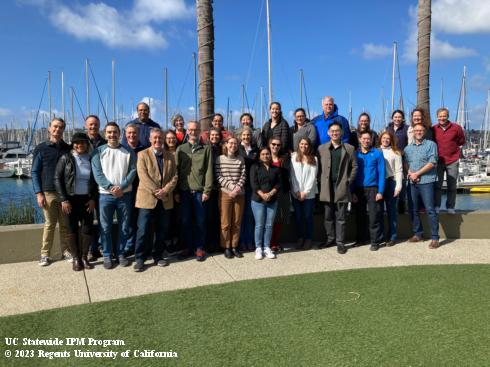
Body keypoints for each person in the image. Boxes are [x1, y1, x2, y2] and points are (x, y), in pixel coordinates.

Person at [92, 122, 137, 269]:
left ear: (120, 134)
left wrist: (121, 187)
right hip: (105, 196)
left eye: (115, 132)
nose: (112, 135)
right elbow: (97, 174)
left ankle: (121, 253)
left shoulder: (128, 151)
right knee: (105, 227)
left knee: (124, 226)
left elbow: (132, 172)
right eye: (109, 132)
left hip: (125, 195)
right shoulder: (98, 151)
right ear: (105, 134)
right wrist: (111, 188)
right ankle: (106, 254)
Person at [133, 129, 178, 272]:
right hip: (147, 198)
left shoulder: (170, 156)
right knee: (143, 229)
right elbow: (143, 175)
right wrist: (157, 191)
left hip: (165, 198)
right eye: (155, 138)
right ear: (150, 140)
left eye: (160, 138)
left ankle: (158, 255)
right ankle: (140, 257)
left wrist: (165, 191)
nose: (158, 140)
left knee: (162, 229)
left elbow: (175, 176)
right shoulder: (142, 154)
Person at [31, 117, 71, 266]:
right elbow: (35, 171)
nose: (57, 129)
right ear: (49, 128)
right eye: (55, 127)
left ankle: (66, 251)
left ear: (63, 129)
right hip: (48, 192)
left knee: (65, 224)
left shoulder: (67, 148)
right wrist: (38, 193)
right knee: (50, 224)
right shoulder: (41, 148)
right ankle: (45, 254)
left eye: (60, 127)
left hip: (65, 193)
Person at [54, 132, 97, 271]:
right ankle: (76, 258)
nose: (80, 145)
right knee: (71, 228)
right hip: (70, 199)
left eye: (83, 143)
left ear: (87, 144)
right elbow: (57, 179)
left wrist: (92, 199)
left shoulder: (91, 158)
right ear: (73, 144)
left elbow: (95, 181)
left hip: (86, 199)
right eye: (77, 143)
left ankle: (84, 257)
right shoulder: (66, 158)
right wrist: (64, 199)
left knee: (87, 227)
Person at [175, 121, 213, 261]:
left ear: (199, 131)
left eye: (196, 130)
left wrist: (207, 190)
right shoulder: (181, 149)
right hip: (184, 191)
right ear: (187, 131)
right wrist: (176, 192)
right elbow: (176, 171)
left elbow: (209, 170)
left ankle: (199, 248)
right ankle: (187, 247)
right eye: (190, 130)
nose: (193, 132)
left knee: (200, 221)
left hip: (199, 191)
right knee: (185, 221)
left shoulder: (206, 148)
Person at [318, 122, 357, 254]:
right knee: (328, 216)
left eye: (337, 131)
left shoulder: (349, 148)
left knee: (341, 217)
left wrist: (348, 181)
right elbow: (317, 168)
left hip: (341, 187)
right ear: (328, 133)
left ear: (341, 133)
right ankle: (330, 239)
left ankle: (340, 242)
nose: (335, 133)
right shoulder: (321, 149)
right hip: (326, 188)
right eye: (332, 131)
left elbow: (354, 166)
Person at [404, 122, 440, 248]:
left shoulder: (431, 145)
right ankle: (418, 234)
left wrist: (417, 174)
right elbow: (406, 163)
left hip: (427, 181)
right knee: (413, 209)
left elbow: (433, 162)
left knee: (430, 210)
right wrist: (410, 173)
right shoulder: (407, 148)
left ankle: (435, 238)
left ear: (424, 132)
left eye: (420, 130)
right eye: (416, 130)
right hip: (412, 183)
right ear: (413, 132)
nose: (418, 132)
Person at [352, 130, 385, 251]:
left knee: (373, 216)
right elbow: (352, 174)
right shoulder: (355, 154)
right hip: (359, 189)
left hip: (373, 189)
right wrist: (352, 191)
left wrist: (380, 191)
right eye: (364, 138)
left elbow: (382, 173)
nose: (366, 141)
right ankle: (361, 239)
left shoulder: (377, 153)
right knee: (359, 216)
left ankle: (375, 241)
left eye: (368, 139)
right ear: (360, 139)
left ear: (371, 140)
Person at [216, 137, 246, 258]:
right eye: (231, 143)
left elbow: (243, 175)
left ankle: (234, 246)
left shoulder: (241, 159)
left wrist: (237, 188)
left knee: (237, 222)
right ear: (226, 145)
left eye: (235, 143)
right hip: (225, 193)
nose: (233, 145)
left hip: (239, 194)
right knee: (225, 222)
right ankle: (226, 247)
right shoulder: (220, 159)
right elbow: (218, 176)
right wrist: (231, 187)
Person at [250, 147, 282, 260]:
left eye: (267, 154)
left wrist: (271, 193)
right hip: (258, 200)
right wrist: (262, 194)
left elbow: (279, 184)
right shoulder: (255, 167)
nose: (265, 156)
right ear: (259, 156)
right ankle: (258, 248)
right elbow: (253, 184)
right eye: (263, 154)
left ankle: (267, 247)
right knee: (259, 225)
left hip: (272, 200)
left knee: (269, 225)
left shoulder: (275, 168)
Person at [433, 107, 465, 214]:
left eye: (444, 116)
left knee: (452, 185)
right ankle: (437, 205)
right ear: (437, 117)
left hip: (452, 160)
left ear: (448, 116)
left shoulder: (457, 128)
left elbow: (461, 141)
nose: (442, 118)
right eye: (440, 116)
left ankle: (450, 206)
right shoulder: (433, 129)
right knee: (437, 185)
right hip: (438, 161)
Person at [84, 115, 106, 261]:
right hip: (85, 188)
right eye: (91, 124)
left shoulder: (105, 142)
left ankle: (101, 247)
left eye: (96, 124)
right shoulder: (80, 142)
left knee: (103, 221)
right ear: (86, 125)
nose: (93, 127)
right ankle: (90, 249)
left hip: (102, 187)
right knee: (88, 221)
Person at [289, 137, 318, 250]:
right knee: (299, 217)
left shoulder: (314, 158)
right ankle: (300, 238)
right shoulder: (293, 157)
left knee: (308, 216)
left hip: (309, 194)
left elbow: (313, 177)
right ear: (299, 145)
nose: (303, 146)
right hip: (295, 193)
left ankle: (308, 238)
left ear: (309, 146)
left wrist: (305, 192)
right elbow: (292, 175)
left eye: (306, 144)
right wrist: (296, 191)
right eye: (302, 144)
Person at [122, 123, 144, 256]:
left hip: (142, 189)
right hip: (126, 189)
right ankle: (129, 245)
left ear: (139, 134)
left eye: (134, 133)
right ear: (125, 134)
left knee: (142, 220)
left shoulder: (145, 149)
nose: (132, 135)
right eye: (129, 133)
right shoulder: (122, 149)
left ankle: (141, 246)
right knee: (128, 219)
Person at [378, 131, 403, 246]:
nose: (386, 140)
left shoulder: (396, 152)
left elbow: (399, 170)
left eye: (388, 138)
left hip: (391, 182)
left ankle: (392, 236)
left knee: (391, 211)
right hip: (378, 184)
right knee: (379, 211)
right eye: (384, 138)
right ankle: (381, 236)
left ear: (391, 140)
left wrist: (398, 186)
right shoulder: (376, 151)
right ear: (380, 139)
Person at [238, 126, 259, 251]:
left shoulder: (255, 150)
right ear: (241, 136)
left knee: (250, 215)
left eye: (248, 135)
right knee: (240, 215)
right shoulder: (237, 149)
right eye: (244, 135)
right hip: (239, 187)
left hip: (252, 187)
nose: (246, 137)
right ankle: (241, 241)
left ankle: (249, 240)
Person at [269, 137, 291, 252]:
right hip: (269, 192)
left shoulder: (285, 158)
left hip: (282, 192)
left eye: (278, 145)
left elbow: (286, 175)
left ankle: (275, 242)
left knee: (279, 219)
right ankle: (269, 242)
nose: (275, 146)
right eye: (273, 144)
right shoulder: (265, 157)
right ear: (269, 144)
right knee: (270, 219)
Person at [386, 110, 409, 214]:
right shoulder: (388, 129)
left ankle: (402, 205)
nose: (397, 119)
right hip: (390, 159)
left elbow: (409, 144)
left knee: (402, 183)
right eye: (395, 117)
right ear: (392, 118)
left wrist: (402, 153)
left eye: (399, 117)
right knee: (391, 182)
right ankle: (390, 207)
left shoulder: (407, 129)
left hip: (403, 159)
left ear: (403, 118)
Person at [206, 127, 223, 252]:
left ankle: (220, 242)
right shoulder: (205, 148)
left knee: (220, 217)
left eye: (217, 135)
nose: (214, 137)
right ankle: (210, 243)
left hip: (222, 187)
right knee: (210, 216)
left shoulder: (223, 148)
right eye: (212, 135)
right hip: (210, 187)